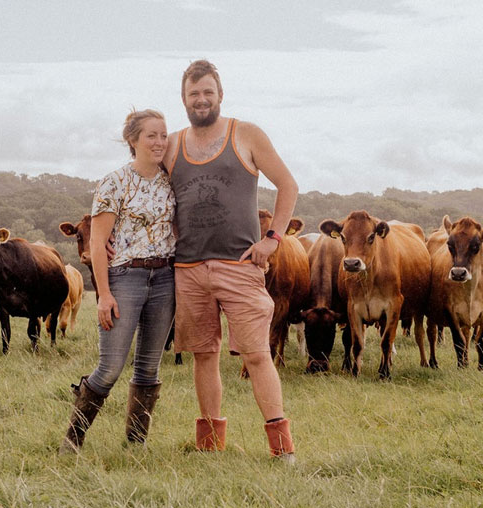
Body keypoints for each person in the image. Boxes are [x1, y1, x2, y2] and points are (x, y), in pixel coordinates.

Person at [164, 59, 299, 463]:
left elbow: (288, 184)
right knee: (204, 354)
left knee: (257, 353)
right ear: (183, 99)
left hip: (239, 265)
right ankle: (209, 446)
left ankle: (282, 449)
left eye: (208, 92)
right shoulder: (171, 144)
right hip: (187, 267)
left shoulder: (247, 134)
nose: (201, 100)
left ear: (220, 95)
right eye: (193, 94)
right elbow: (144, 195)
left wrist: (273, 238)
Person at [60, 109, 177, 454]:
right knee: (110, 368)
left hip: (165, 278)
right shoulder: (114, 182)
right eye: (151, 136)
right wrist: (104, 294)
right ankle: (73, 438)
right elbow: (97, 244)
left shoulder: (171, 180)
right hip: (125, 277)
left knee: (148, 368)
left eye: (163, 135)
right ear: (133, 140)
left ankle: (136, 444)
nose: (159, 142)